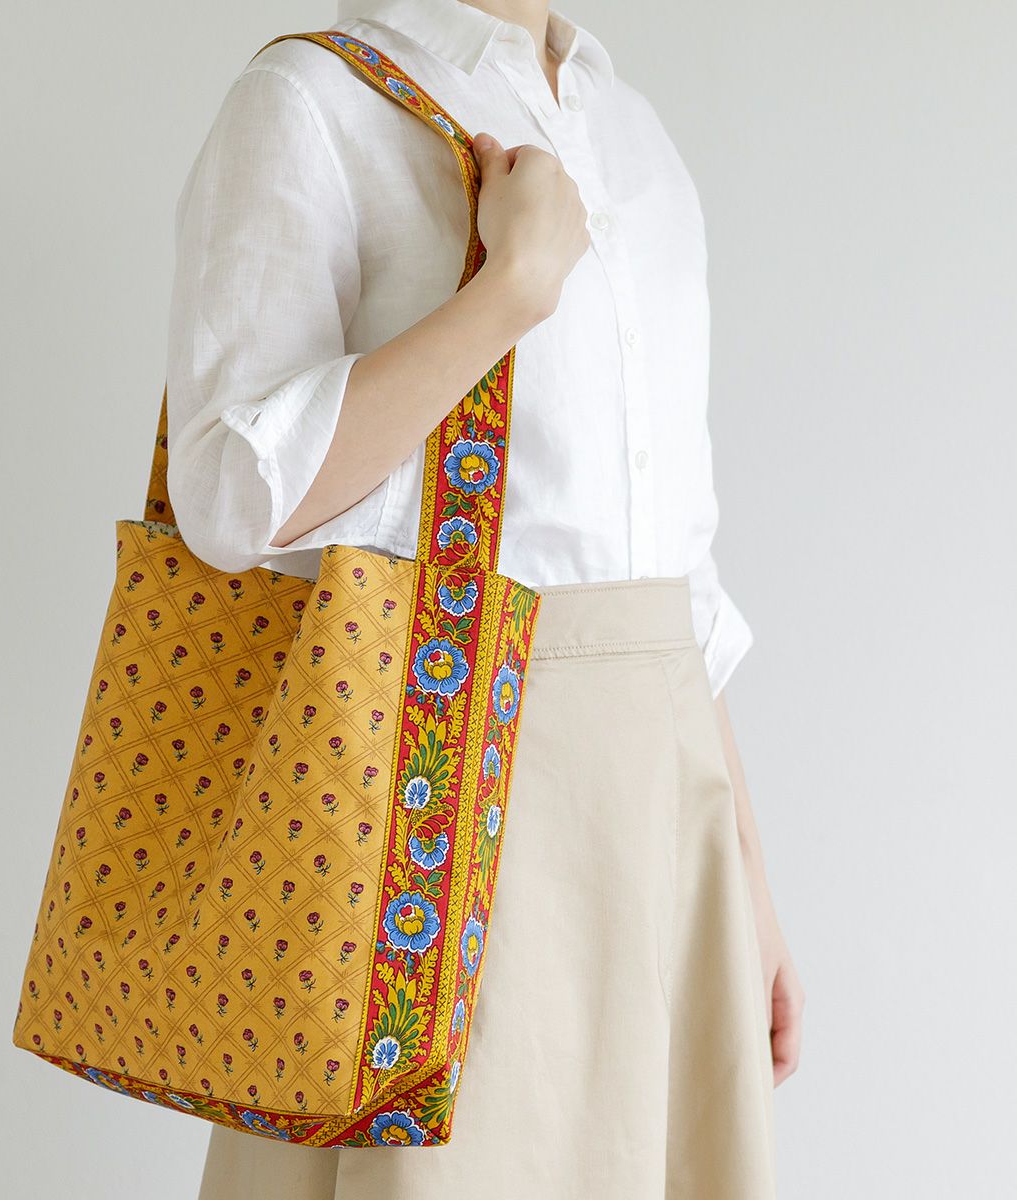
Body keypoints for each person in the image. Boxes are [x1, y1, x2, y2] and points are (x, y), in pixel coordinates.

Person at [166, 0, 803, 1195]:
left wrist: (746, 887)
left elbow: (677, 571)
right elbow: (227, 498)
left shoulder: (635, 133)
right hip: (439, 797)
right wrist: (508, 294)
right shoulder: (312, 101)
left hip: (668, 812)